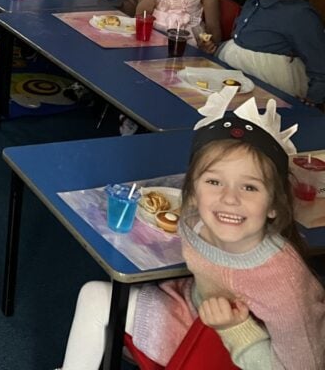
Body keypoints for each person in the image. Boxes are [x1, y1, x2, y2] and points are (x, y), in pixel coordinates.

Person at [57, 87, 325, 369]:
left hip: (237, 353)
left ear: (274, 204)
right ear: (192, 194)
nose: (229, 198)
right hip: (192, 312)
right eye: (214, 182)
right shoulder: (193, 223)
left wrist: (237, 329)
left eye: (249, 186)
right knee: (94, 295)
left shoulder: (285, 285)